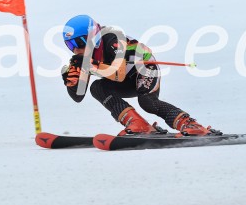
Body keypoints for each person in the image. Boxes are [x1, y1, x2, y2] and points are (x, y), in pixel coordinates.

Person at [60, 14, 218, 136]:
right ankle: (139, 124)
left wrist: (90, 64)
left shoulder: (112, 38)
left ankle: (191, 125)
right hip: (124, 80)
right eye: (70, 45)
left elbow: (119, 74)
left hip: (144, 68)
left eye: (78, 43)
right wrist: (71, 81)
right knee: (97, 87)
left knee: (147, 101)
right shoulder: (82, 57)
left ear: (92, 37)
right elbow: (78, 96)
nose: (75, 49)